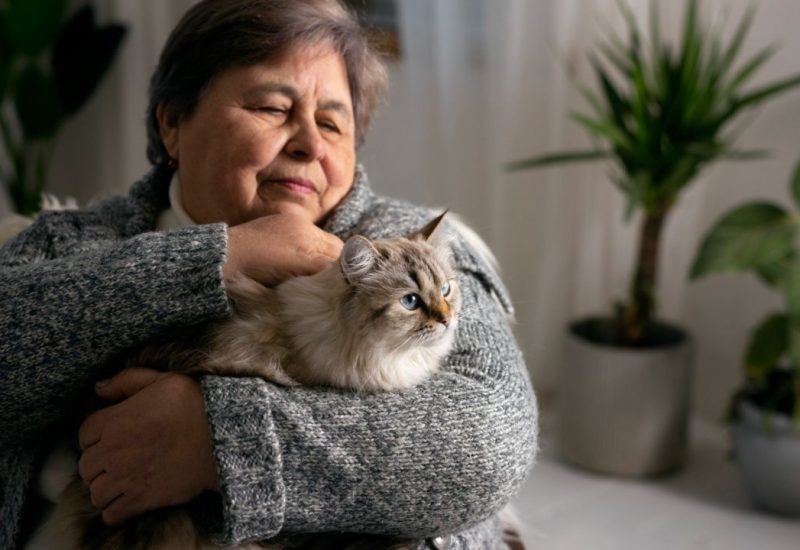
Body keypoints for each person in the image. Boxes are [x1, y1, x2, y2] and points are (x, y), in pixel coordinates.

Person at [0, 0, 538, 548]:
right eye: (273, 108)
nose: (310, 143)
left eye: (332, 122)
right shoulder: (70, 242)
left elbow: (492, 440)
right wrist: (219, 257)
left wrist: (213, 439)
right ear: (172, 125)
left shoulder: (410, 243)